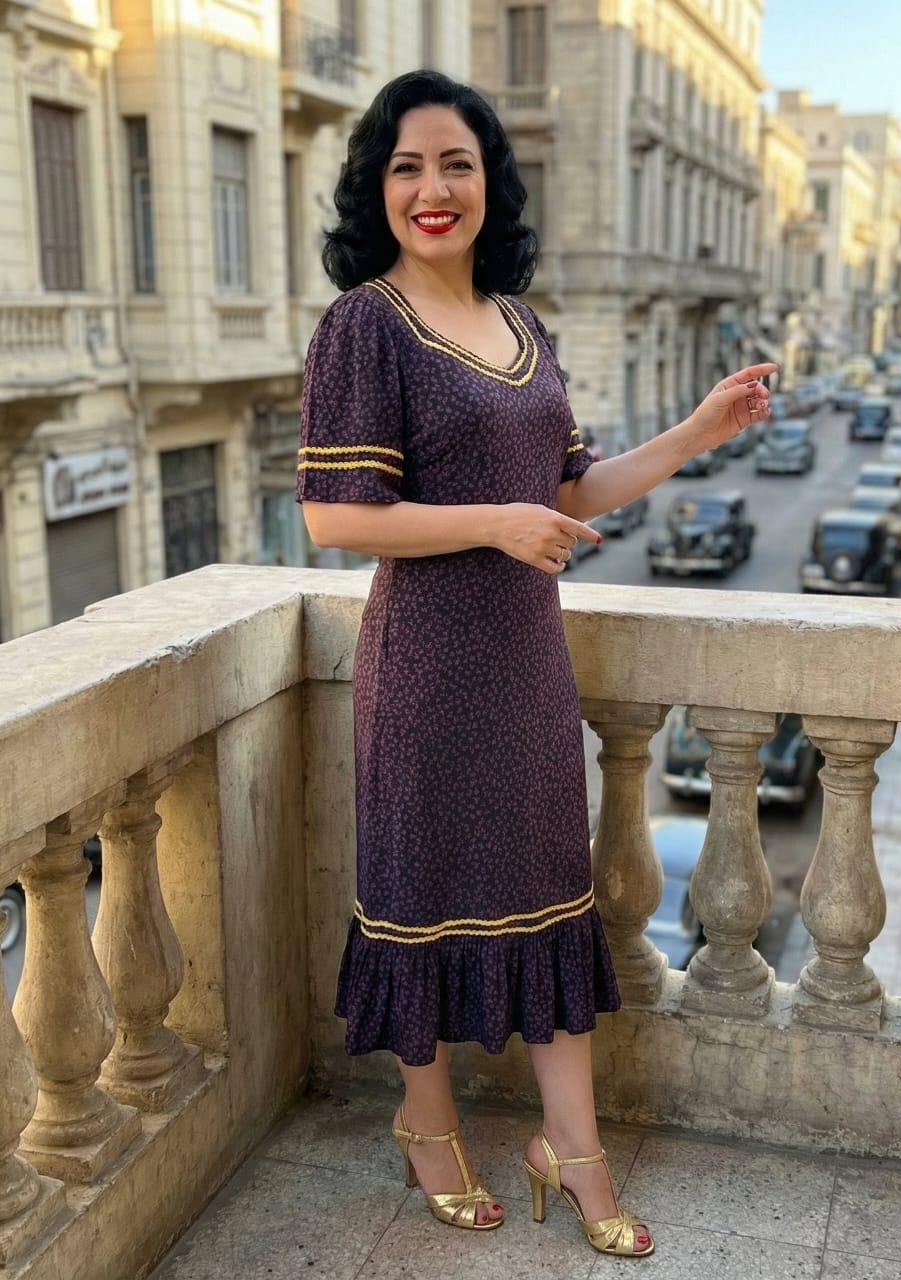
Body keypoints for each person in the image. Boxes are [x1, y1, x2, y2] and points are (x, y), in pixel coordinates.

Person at [296, 69, 775, 1259]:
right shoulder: (365, 324)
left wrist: (699, 428)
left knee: (554, 897)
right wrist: (496, 524)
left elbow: (571, 490)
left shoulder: (523, 325)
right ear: (377, 188)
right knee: (420, 895)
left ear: (489, 182)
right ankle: (427, 1120)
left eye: (455, 163)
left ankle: (572, 1145)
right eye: (407, 166)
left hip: (524, 665)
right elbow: (334, 515)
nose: (433, 188)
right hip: (425, 665)